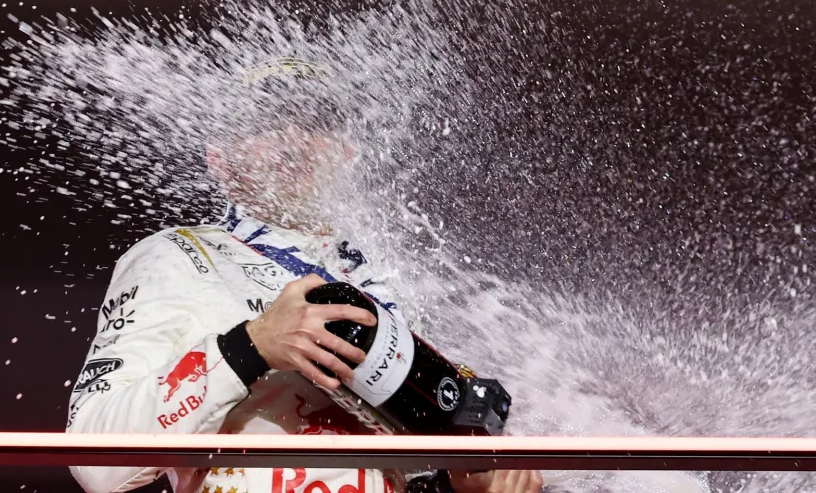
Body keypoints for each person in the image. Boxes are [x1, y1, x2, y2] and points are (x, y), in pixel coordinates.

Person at [65, 58, 544, 493]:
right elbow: (97, 463)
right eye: (266, 122)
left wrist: (468, 482)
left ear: (348, 153)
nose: (294, 137)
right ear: (218, 155)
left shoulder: (397, 281)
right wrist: (251, 346)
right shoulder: (178, 255)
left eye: (317, 122)